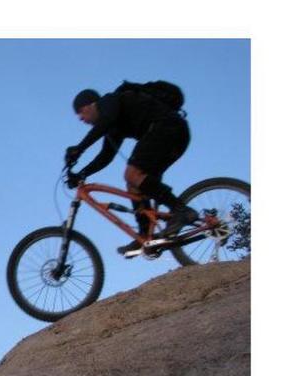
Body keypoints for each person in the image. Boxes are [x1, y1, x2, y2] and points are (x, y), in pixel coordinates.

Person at [64, 87, 198, 256]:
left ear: (91, 104)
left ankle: (181, 211)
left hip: (166, 127)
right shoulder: (113, 126)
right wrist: (81, 174)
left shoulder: (110, 101)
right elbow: (105, 156)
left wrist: (79, 149)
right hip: (173, 135)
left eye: (81, 112)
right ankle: (144, 235)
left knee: (132, 174)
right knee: (133, 183)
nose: (81, 119)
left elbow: (106, 120)